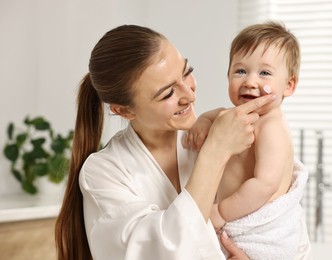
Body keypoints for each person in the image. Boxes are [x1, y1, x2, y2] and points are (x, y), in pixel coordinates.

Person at [54, 24, 276, 260]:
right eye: (168, 94)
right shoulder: (103, 172)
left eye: (186, 71)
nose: (190, 96)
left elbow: (280, 219)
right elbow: (161, 250)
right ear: (124, 111)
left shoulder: (223, 133)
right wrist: (215, 152)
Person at [184, 21, 312, 259]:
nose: (250, 81)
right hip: (234, 220)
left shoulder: (271, 128)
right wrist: (202, 123)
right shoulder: (231, 116)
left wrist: (221, 212)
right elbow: (212, 116)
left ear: (289, 85)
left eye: (264, 73)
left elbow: (264, 184)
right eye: (240, 71)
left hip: (255, 229)